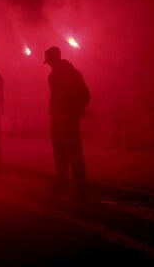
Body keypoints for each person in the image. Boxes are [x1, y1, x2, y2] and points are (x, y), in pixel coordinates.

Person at [43, 46, 91, 199]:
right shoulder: (55, 74)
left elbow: (85, 93)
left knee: (73, 153)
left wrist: (74, 111)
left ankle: (80, 189)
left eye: (50, 61)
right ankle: (63, 182)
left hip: (68, 119)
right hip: (58, 118)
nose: (48, 64)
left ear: (55, 59)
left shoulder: (70, 73)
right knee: (60, 152)